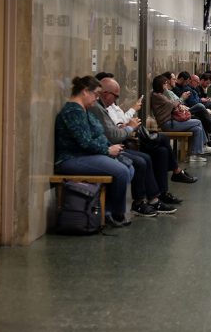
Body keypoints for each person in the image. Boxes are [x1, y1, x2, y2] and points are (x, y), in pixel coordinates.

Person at [54, 76, 133, 227]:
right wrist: (107, 149)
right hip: (71, 159)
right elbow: (85, 142)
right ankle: (115, 213)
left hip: (85, 155)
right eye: (95, 94)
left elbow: (96, 134)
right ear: (85, 92)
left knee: (128, 167)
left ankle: (107, 209)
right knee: (121, 171)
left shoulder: (85, 110)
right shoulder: (72, 112)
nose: (97, 99)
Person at [90, 79, 177, 216]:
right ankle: (132, 205)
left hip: (119, 141)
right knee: (142, 160)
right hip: (115, 144)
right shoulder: (96, 108)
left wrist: (125, 128)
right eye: (94, 94)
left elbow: (109, 131)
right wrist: (128, 128)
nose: (95, 98)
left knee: (160, 152)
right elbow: (109, 135)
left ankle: (157, 197)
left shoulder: (101, 107)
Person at [100, 77, 196, 184]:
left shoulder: (111, 106)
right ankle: (177, 171)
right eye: (165, 83)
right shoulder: (101, 110)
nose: (167, 85)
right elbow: (114, 132)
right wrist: (129, 125)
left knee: (162, 152)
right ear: (104, 93)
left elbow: (121, 122)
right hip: (128, 138)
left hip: (128, 133)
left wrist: (130, 120)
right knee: (156, 147)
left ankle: (159, 195)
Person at [150, 75, 211, 162]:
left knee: (197, 128)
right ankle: (202, 146)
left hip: (171, 121)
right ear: (160, 85)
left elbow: (171, 105)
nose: (166, 86)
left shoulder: (160, 95)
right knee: (198, 121)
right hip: (167, 124)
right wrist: (182, 99)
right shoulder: (158, 96)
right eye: (165, 84)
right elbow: (172, 105)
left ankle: (195, 154)